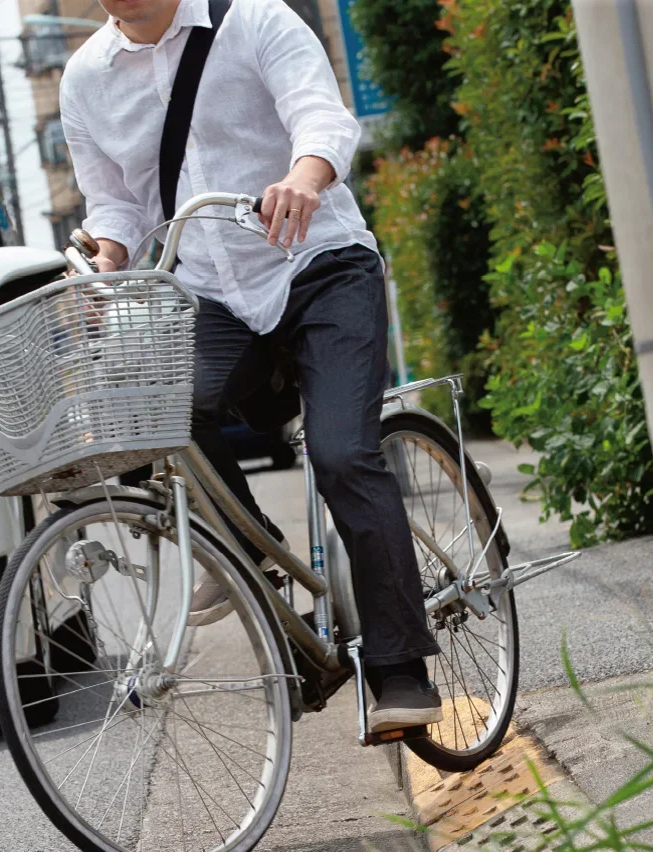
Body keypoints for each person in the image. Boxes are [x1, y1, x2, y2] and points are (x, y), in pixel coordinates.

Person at [59, 0, 444, 731]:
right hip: (211, 291)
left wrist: (305, 176)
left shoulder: (255, 19)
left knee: (342, 454)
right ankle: (248, 550)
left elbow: (320, 116)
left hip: (320, 264)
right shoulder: (86, 78)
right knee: (163, 414)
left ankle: (400, 668)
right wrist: (104, 261)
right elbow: (115, 202)